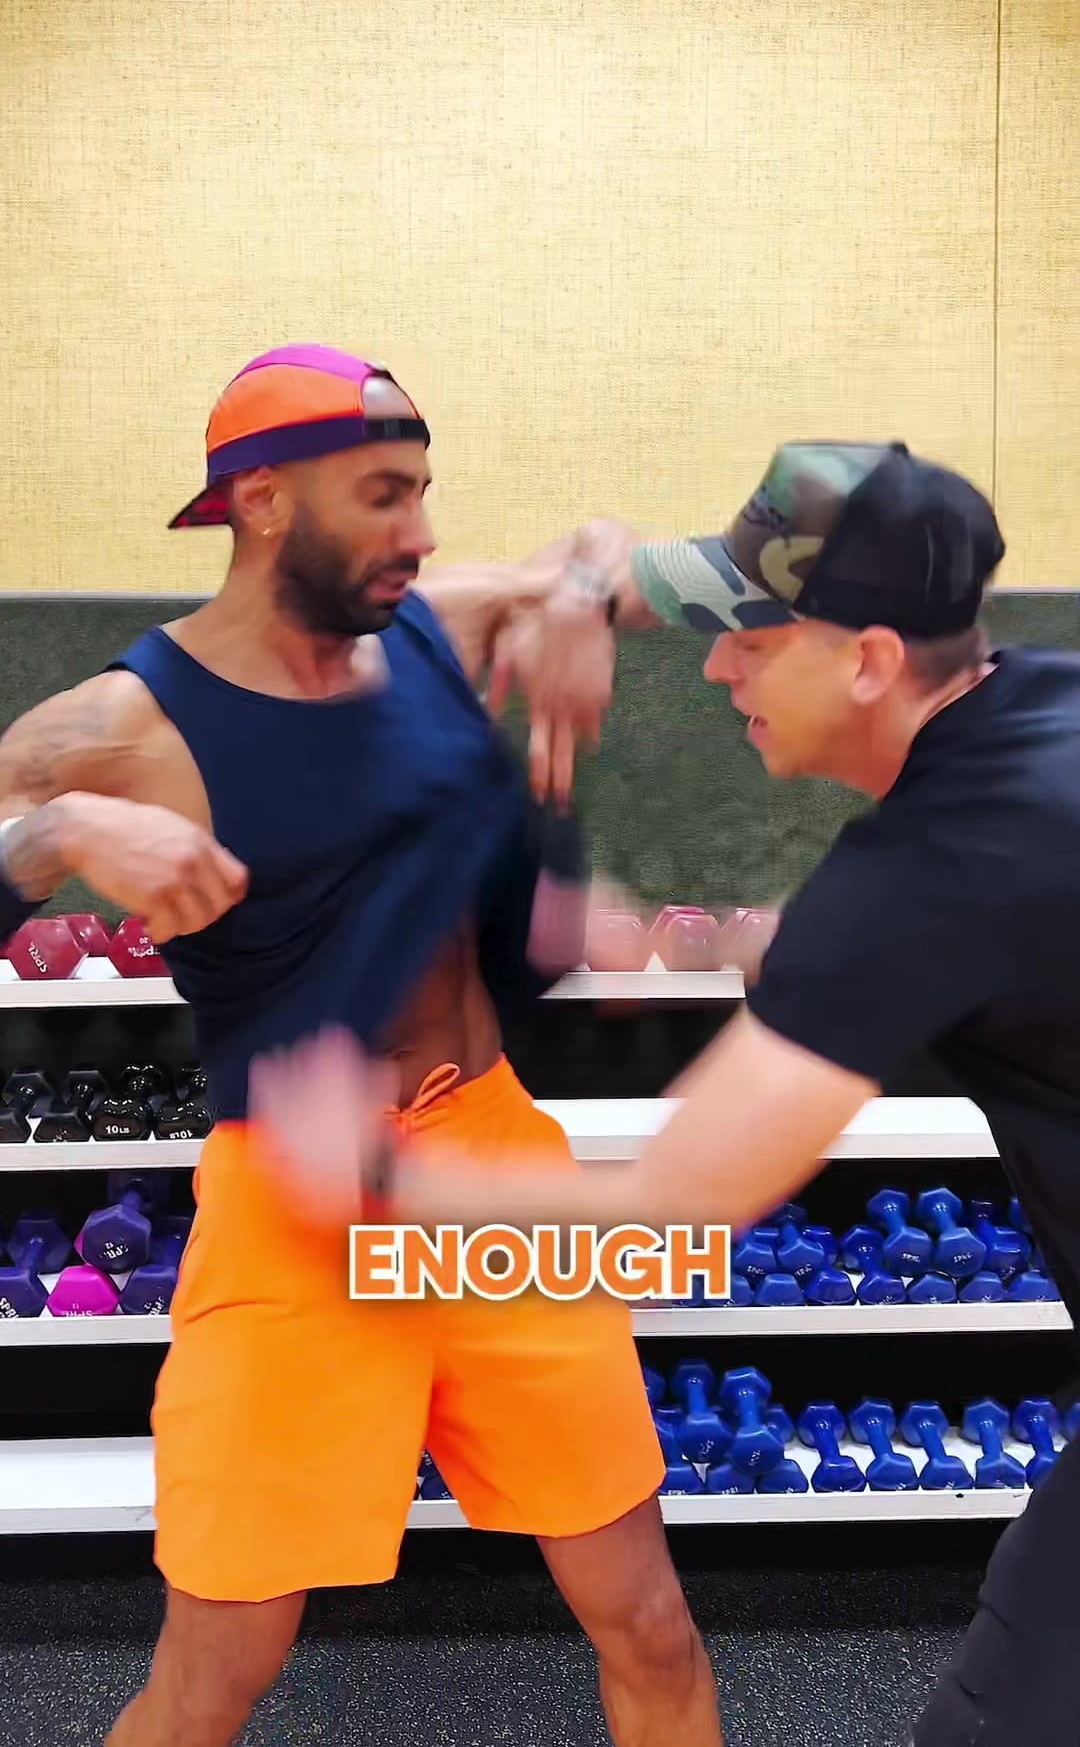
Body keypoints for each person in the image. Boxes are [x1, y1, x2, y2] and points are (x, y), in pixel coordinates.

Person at [261, 438, 1080, 1746]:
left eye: (750, 639)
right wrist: (580, 598)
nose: (712, 667)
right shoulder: (1041, 702)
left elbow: (667, 1209)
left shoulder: (927, 875)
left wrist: (367, 1172)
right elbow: (600, 562)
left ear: (869, 660)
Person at [0, 344, 725, 1747]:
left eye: (424, 491)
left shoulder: (435, 633)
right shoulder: (125, 723)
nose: (425, 531)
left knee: (649, 1621)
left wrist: (580, 595)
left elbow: (605, 551)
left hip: (493, 1165)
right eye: (385, 495)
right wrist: (61, 833)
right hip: (295, 1207)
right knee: (215, 1674)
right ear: (263, 500)